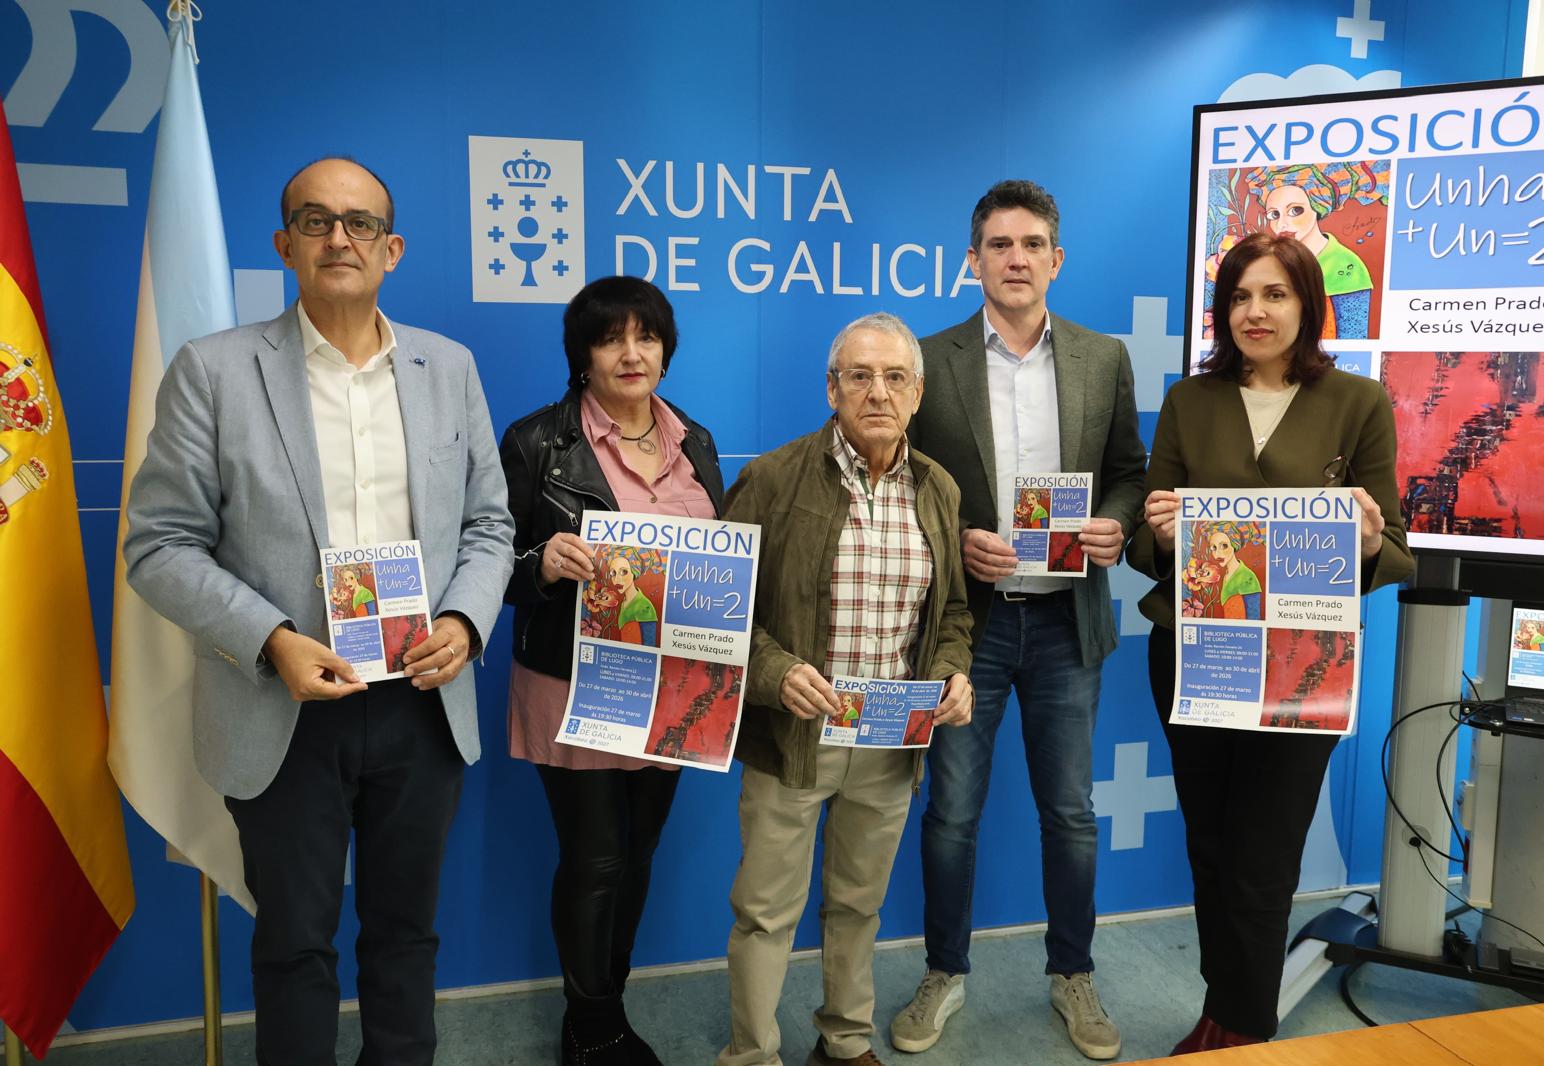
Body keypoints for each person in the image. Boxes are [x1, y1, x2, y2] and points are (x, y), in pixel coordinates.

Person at [123, 156, 514, 1065]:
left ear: (392, 248)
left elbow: (490, 525)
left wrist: (462, 623)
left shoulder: (448, 368)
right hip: (283, 703)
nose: (340, 238)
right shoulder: (214, 371)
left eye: (360, 222)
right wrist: (272, 640)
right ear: (285, 244)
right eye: (316, 220)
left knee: (406, 935)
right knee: (294, 945)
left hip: (422, 700)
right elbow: (159, 544)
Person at [1126, 232, 1413, 1053]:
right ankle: (1225, 1008)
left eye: (1276, 294)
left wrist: (1365, 540)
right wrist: (1162, 531)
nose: (1256, 311)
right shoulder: (1191, 402)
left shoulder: (1358, 402)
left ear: (1308, 304)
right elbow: (1148, 542)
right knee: (1211, 846)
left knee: (1265, 853)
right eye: (1241, 296)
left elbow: (1395, 547)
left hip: (1302, 663)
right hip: (1196, 654)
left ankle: (1242, 1027)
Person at [894, 180, 1145, 1060]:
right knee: (951, 812)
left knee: (1070, 812)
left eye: (1032, 243)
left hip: (1067, 621)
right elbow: (901, 478)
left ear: (1056, 259)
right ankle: (944, 971)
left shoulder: (1101, 357)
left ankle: (1072, 973)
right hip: (970, 626)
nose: (1016, 258)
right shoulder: (929, 359)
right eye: (999, 244)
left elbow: (1130, 470)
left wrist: (1115, 522)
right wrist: (954, 536)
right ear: (973, 260)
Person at [717, 312, 975, 1066]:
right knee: (766, 912)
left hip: (891, 737)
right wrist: (776, 673)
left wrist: (950, 674)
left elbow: (953, 614)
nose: (877, 393)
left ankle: (845, 1039)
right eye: (859, 376)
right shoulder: (773, 478)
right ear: (831, 389)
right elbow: (718, 612)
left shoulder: (938, 488)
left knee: (860, 905)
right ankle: (752, 1054)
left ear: (918, 393)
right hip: (794, 739)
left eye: (895, 378)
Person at [499, 275, 725, 1066]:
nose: (631, 353)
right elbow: (485, 564)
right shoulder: (537, 442)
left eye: (646, 336)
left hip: (675, 691)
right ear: (583, 355)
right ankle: (594, 1029)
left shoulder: (695, 440)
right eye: (610, 338)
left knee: (638, 856)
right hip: (577, 686)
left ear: (665, 348)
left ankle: (603, 1008)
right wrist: (541, 563)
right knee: (595, 859)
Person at [1254, 168, 1375, 339]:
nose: (1282, 224)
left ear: (1318, 206)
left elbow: (1352, 339)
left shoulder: (1347, 266)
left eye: (1295, 211)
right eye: (1274, 214)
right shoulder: (1267, 264)